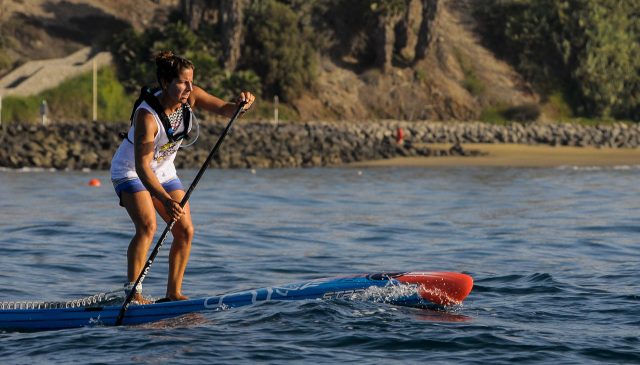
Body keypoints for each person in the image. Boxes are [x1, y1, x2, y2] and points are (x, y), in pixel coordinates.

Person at [110, 51, 255, 303]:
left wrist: (243, 104)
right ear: (165, 83)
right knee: (147, 226)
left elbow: (227, 109)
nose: (189, 88)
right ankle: (133, 294)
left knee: (185, 230)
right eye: (182, 82)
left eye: (191, 81)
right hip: (131, 170)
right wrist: (165, 200)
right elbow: (143, 167)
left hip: (164, 171)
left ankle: (173, 294)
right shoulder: (147, 116)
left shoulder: (191, 96)